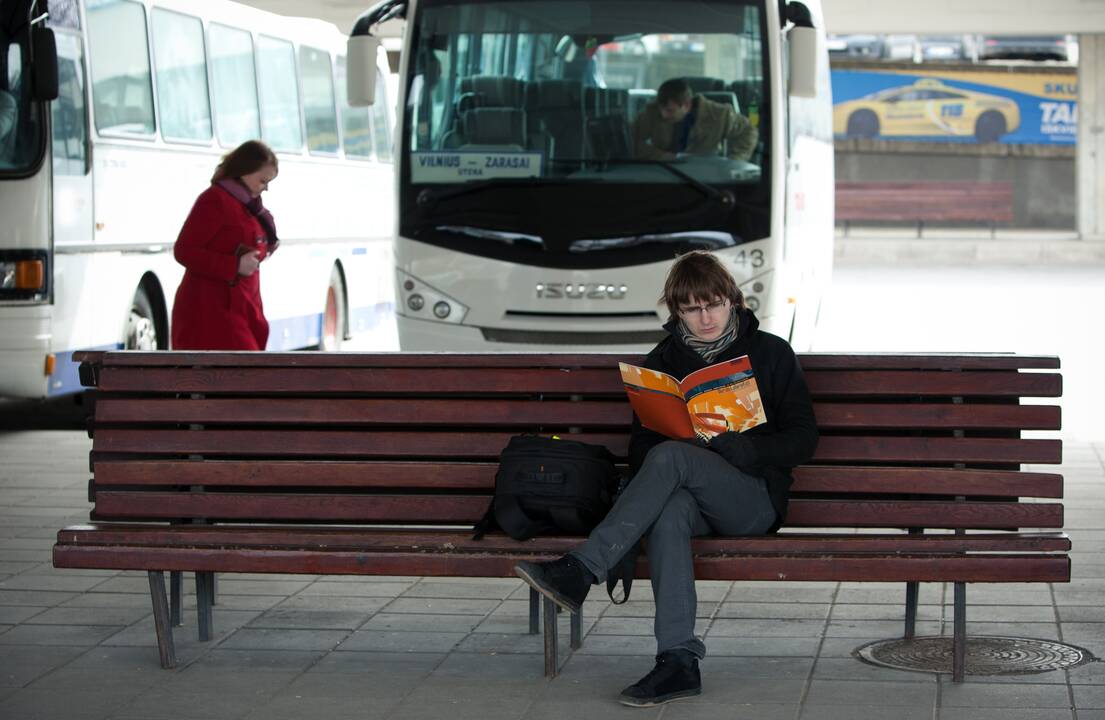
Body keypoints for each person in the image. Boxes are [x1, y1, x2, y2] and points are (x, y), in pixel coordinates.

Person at [514, 250, 818, 707]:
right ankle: (678, 661)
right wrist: (682, 444)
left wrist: (748, 448)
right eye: (691, 309)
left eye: (713, 304)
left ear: (732, 301)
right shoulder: (662, 362)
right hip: (692, 500)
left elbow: (803, 437)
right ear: (676, 310)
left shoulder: (770, 352)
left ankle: (582, 569)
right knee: (670, 510)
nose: (705, 317)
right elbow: (641, 451)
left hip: (752, 499)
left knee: (673, 459)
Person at [171, 140, 279, 350]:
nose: (266, 188)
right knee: (242, 377)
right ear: (244, 171)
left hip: (242, 308)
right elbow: (184, 250)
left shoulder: (250, 207)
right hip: (213, 313)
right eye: (262, 181)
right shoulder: (215, 200)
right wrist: (234, 265)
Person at [633, 78, 758, 162]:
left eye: (670, 111)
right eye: (662, 109)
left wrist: (733, 162)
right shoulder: (651, 113)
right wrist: (661, 156)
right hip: (666, 173)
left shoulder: (719, 115)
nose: (664, 115)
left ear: (687, 105)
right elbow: (631, 141)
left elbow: (749, 131)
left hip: (707, 177)